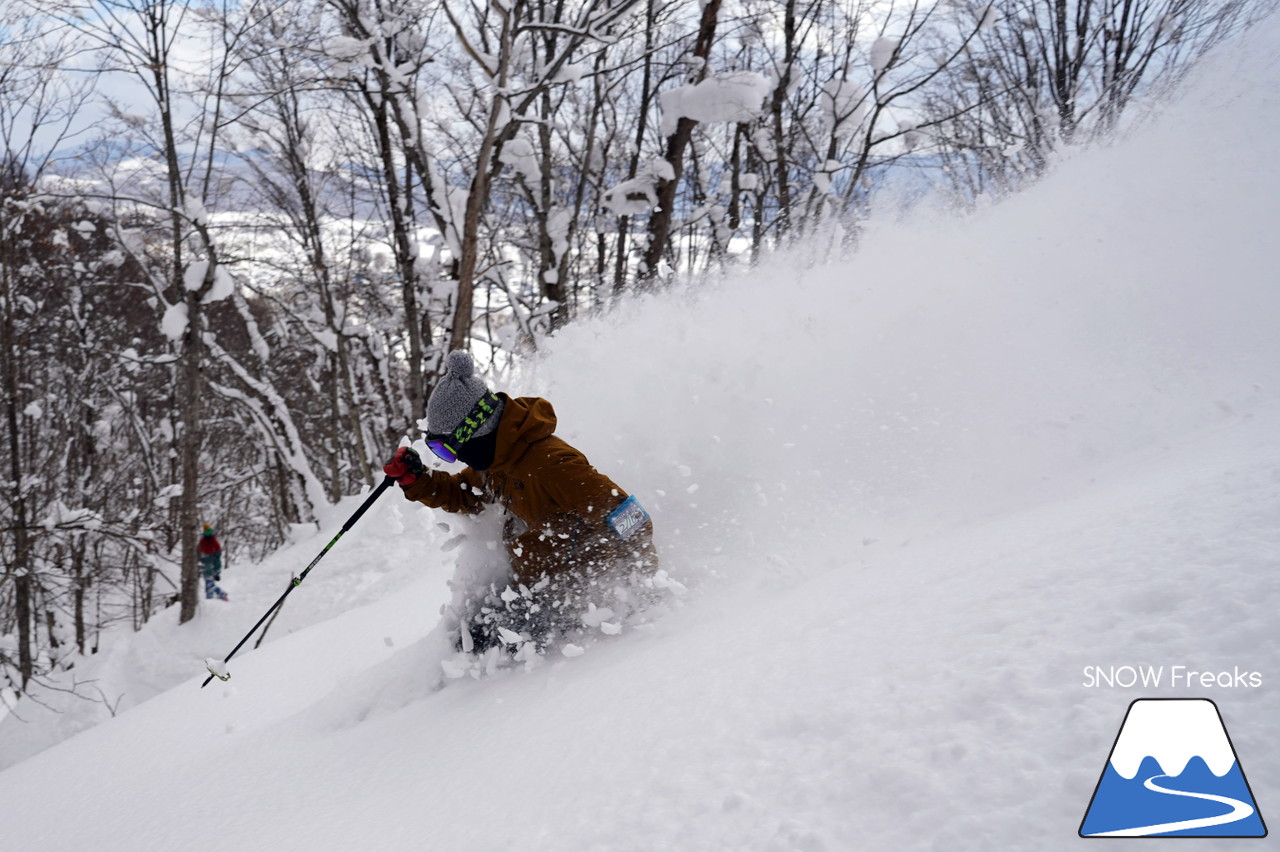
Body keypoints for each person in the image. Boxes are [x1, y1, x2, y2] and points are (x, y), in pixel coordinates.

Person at [384, 350, 657, 654]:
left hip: (574, 599)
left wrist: (635, 586)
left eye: (448, 448)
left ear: (475, 431)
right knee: (461, 645)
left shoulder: (552, 465)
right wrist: (417, 479)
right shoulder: (498, 463)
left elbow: (631, 518)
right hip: (532, 587)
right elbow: (464, 494)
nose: (454, 458)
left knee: (477, 655)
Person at [199, 525, 228, 601]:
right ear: (204, 533)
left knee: (209, 587)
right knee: (209, 586)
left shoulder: (215, 544)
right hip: (204, 570)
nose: (209, 534)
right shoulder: (201, 543)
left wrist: (217, 573)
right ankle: (221, 596)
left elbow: (217, 560)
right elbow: (198, 557)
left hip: (212, 570)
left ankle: (217, 597)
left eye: (210, 532)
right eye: (207, 532)